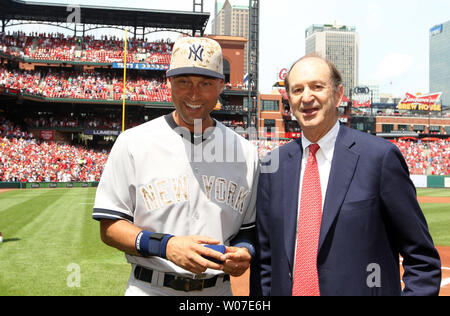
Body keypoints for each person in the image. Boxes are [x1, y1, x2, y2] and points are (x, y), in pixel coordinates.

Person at [250, 55, 441, 296]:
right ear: (289, 100)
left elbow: (422, 260)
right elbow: (265, 263)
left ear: (338, 94)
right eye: (297, 89)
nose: (307, 97)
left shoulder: (379, 158)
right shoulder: (273, 166)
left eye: (317, 86)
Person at [93, 37, 259, 296]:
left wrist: (245, 251)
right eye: (183, 82)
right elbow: (110, 227)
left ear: (220, 86)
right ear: (168, 83)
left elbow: (248, 230)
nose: (194, 94)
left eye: (205, 83)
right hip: (150, 288)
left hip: (218, 291)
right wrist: (166, 246)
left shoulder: (246, 153)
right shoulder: (133, 143)